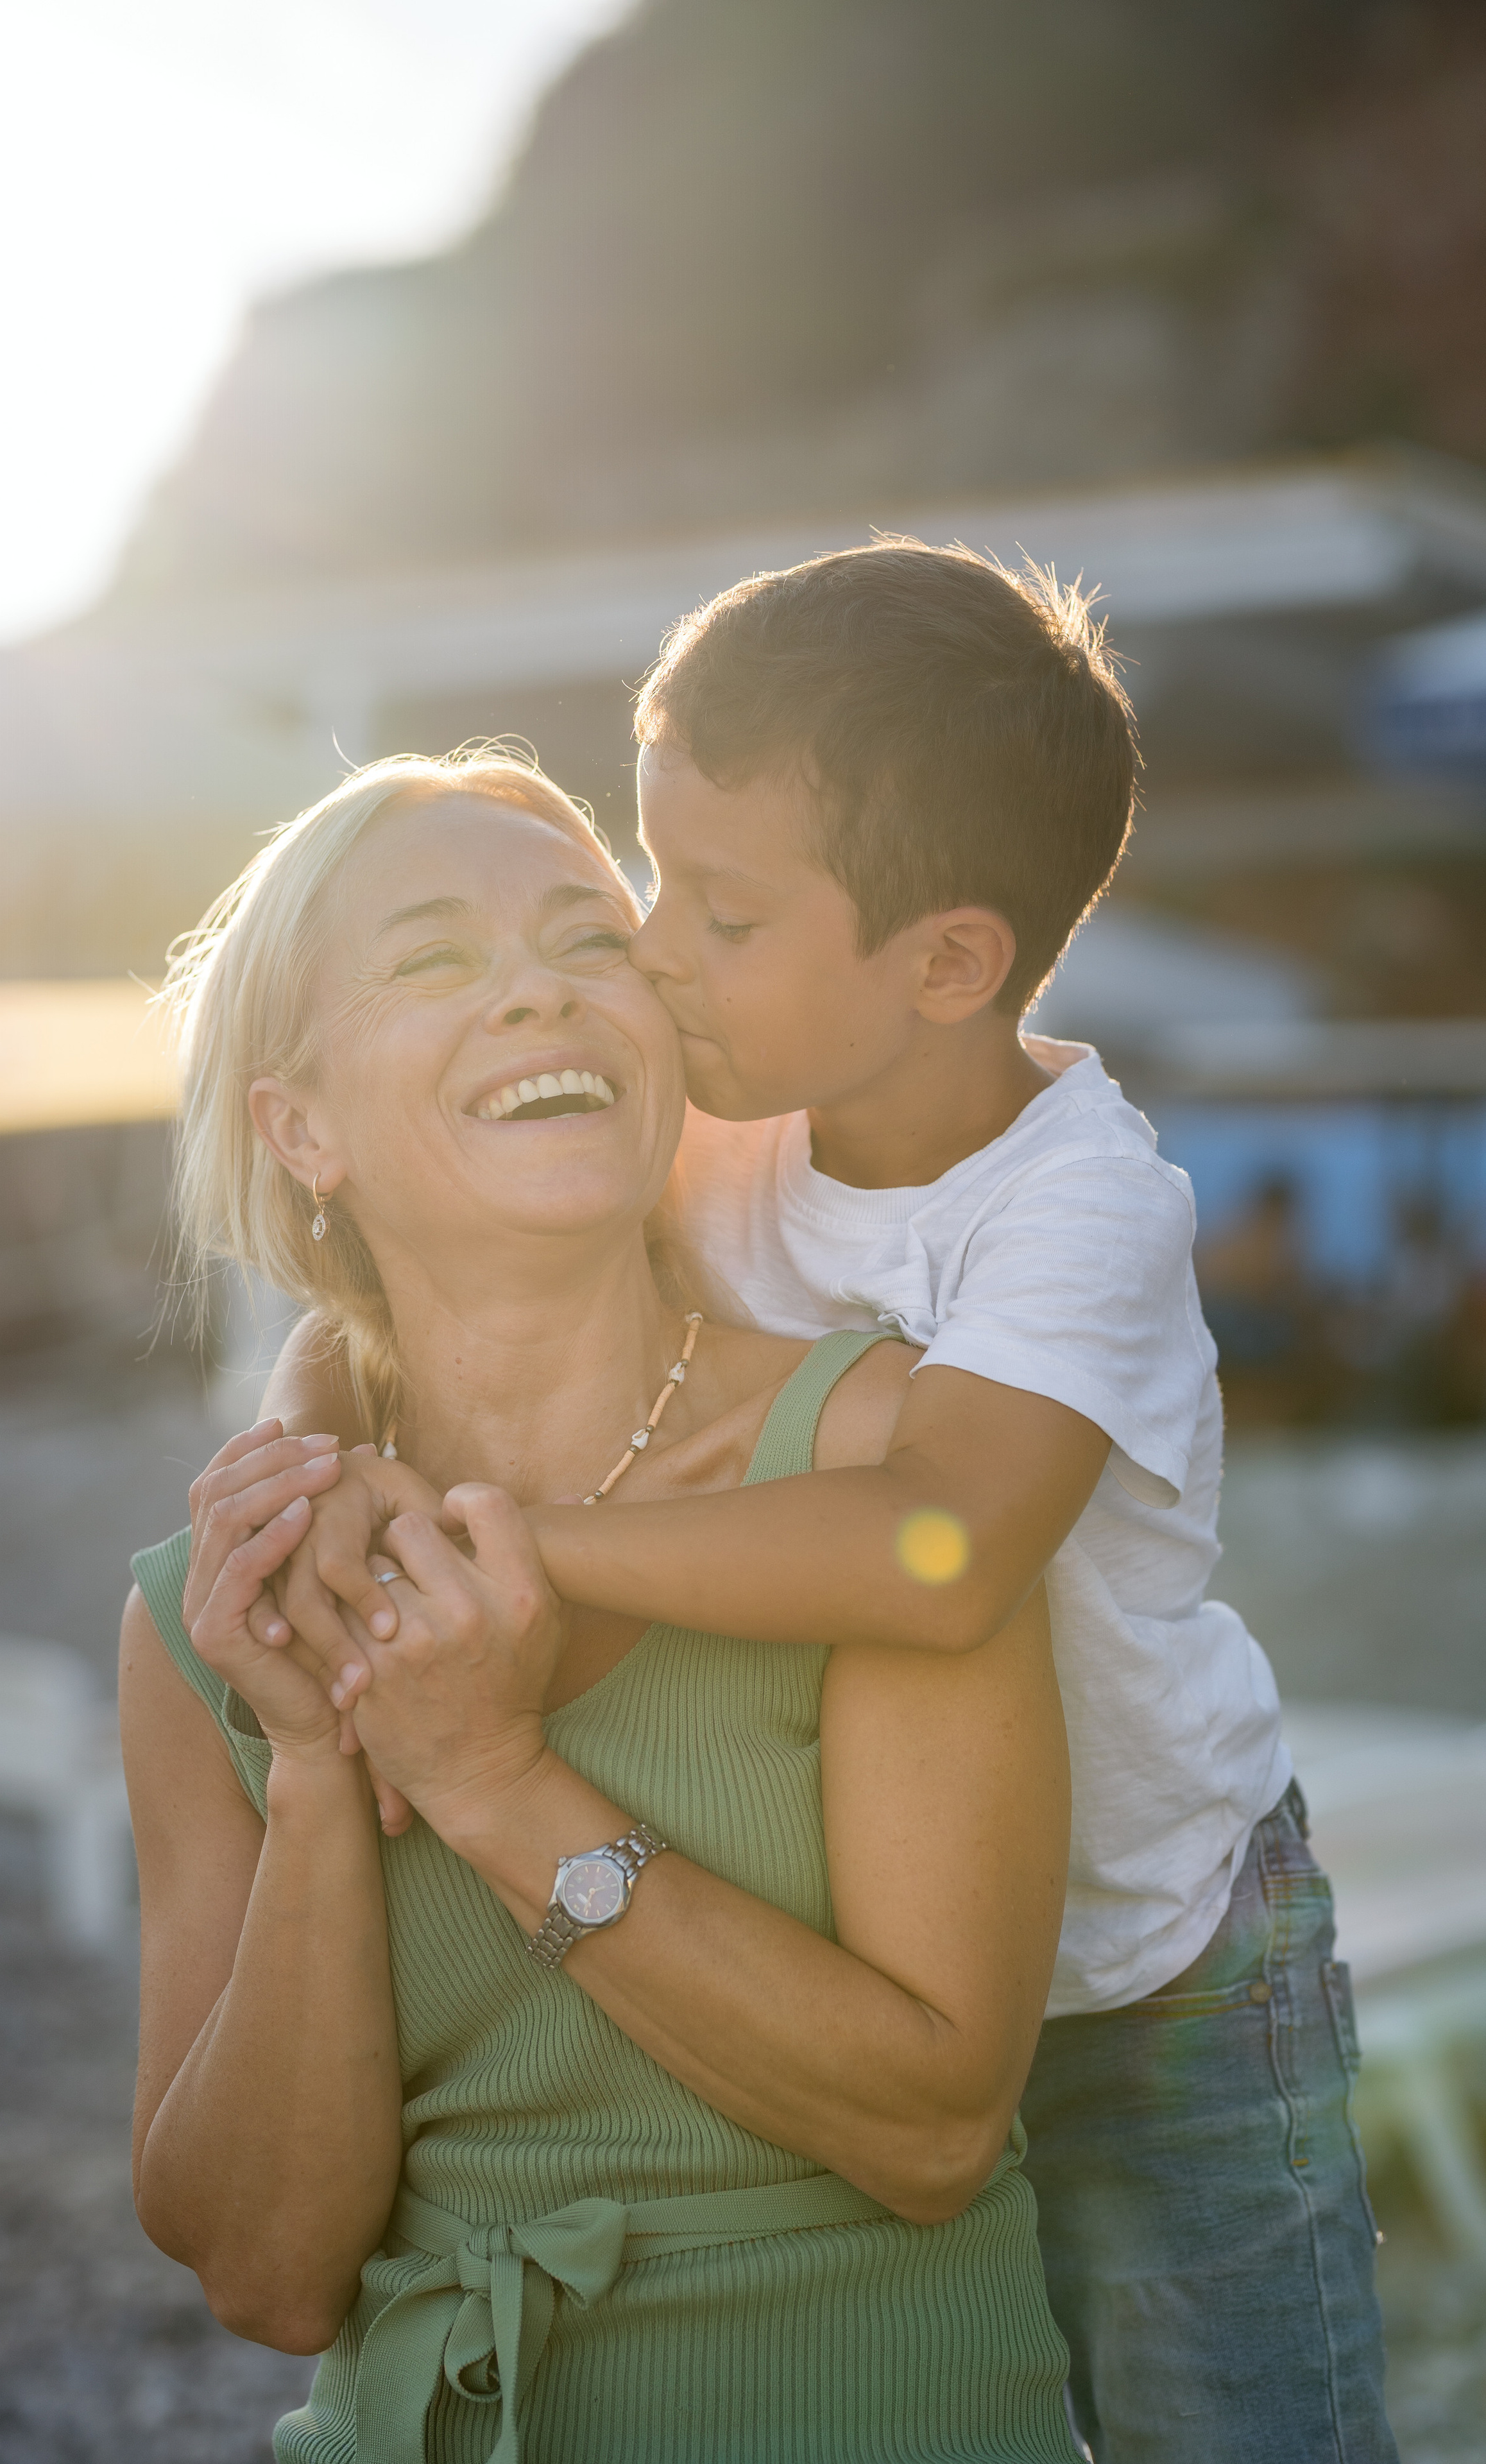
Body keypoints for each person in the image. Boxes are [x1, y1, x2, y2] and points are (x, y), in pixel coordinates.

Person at [268, 550, 1396, 2464]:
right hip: (882, 1939)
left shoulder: (1079, 1206)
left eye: (716, 909)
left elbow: (934, 1549)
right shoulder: (723, 1109)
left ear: (948, 965)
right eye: (649, 874)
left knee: (1237, 2430)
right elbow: (439, 1271)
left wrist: (514, 1548)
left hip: (1153, 1971)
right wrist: (319, 1419)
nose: (646, 945)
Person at [120, 752, 1078, 2464]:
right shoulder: (220, 1612)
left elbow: (935, 2130)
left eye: (590, 939)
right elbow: (266, 2279)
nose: (539, 988)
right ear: (300, 1128)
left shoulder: (876, 1473)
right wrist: (322, 1762)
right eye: (432, 961)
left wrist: (490, 1785)